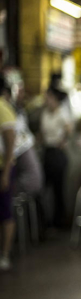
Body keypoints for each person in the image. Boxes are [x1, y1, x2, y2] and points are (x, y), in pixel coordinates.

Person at [40, 85, 72, 228]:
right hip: (47, 151)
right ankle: (45, 221)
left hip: (58, 153)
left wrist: (62, 141)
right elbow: (42, 133)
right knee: (44, 187)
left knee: (58, 189)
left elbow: (69, 130)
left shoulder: (62, 112)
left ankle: (59, 221)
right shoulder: (45, 113)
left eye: (48, 97)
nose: (46, 100)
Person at [0, 76, 16, 270]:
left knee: (5, 212)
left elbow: (10, 142)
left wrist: (5, 172)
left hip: (3, 168)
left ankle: (5, 254)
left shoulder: (3, 108)